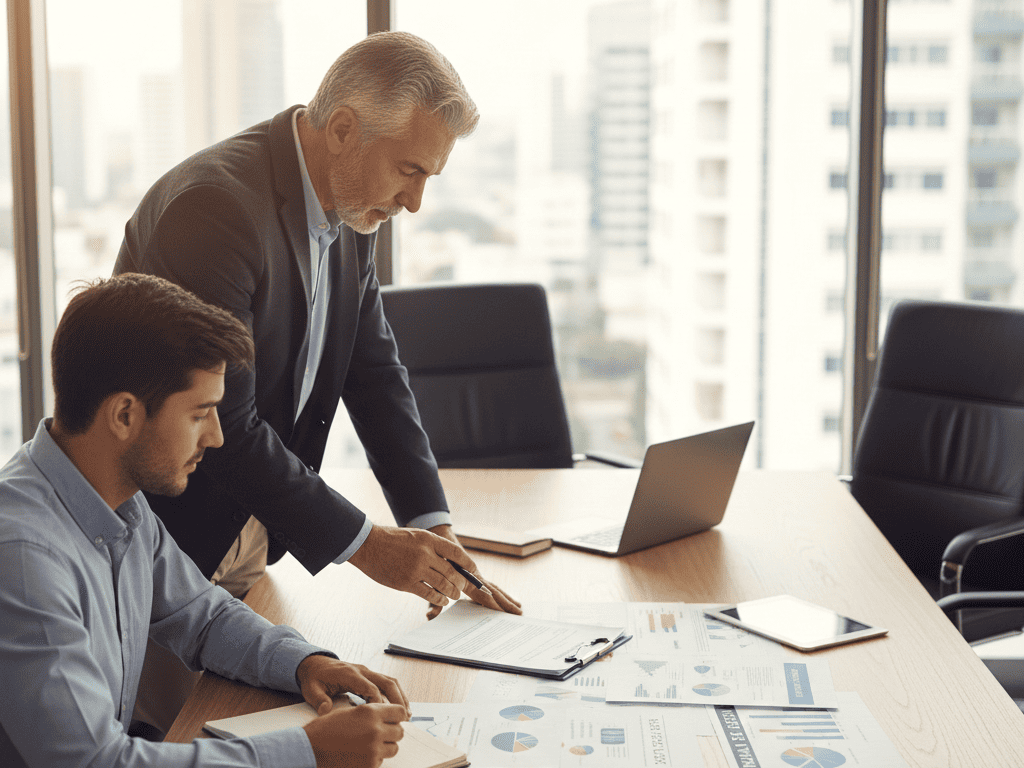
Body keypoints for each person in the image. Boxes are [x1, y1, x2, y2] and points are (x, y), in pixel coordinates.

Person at [114, 30, 520, 617]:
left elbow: (374, 373)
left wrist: (435, 530)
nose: (415, 202)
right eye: (409, 170)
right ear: (343, 131)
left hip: (249, 533)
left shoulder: (353, 211)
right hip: (172, 547)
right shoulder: (217, 210)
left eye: (428, 177)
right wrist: (368, 546)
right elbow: (223, 421)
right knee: (191, 710)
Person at [0, 273, 411, 768]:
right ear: (125, 415)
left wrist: (307, 663)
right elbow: (92, 763)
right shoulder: (24, 557)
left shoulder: (117, 502)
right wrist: (306, 752)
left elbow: (203, 616)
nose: (216, 437)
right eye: (201, 413)